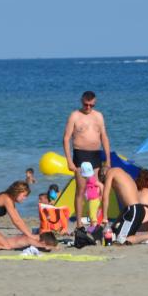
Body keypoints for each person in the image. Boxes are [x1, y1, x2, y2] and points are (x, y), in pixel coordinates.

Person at [63, 91, 112, 231]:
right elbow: (66, 139)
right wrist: (69, 161)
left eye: (91, 105)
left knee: (94, 190)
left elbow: (104, 137)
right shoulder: (75, 116)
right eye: (86, 104)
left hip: (95, 154)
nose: (88, 107)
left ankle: (93, 221)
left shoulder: (98, 116)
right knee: (81, 189)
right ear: (81, 101)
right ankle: (79, 223)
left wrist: (108, 160)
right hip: (80, 154)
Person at [0, 181, 49, 250]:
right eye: (24, 195)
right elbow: (16, 221)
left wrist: (29, 234)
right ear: (17, 191)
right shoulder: (6, 198)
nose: (25, 198)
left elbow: (18, 219)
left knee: (8, 242)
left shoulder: (9, 199)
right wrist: (30, 235)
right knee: (6, 246)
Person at [101, 164, 148, 244]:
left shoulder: (110, 172)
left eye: (104, 182)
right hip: (134, 210)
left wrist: (104, 217)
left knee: (121, 240)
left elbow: (105, 196)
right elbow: (126, 201)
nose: (105, 183)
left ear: (104, 174)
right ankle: (146, 237)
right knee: (114, 235)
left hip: (134, 210)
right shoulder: (121, 173)